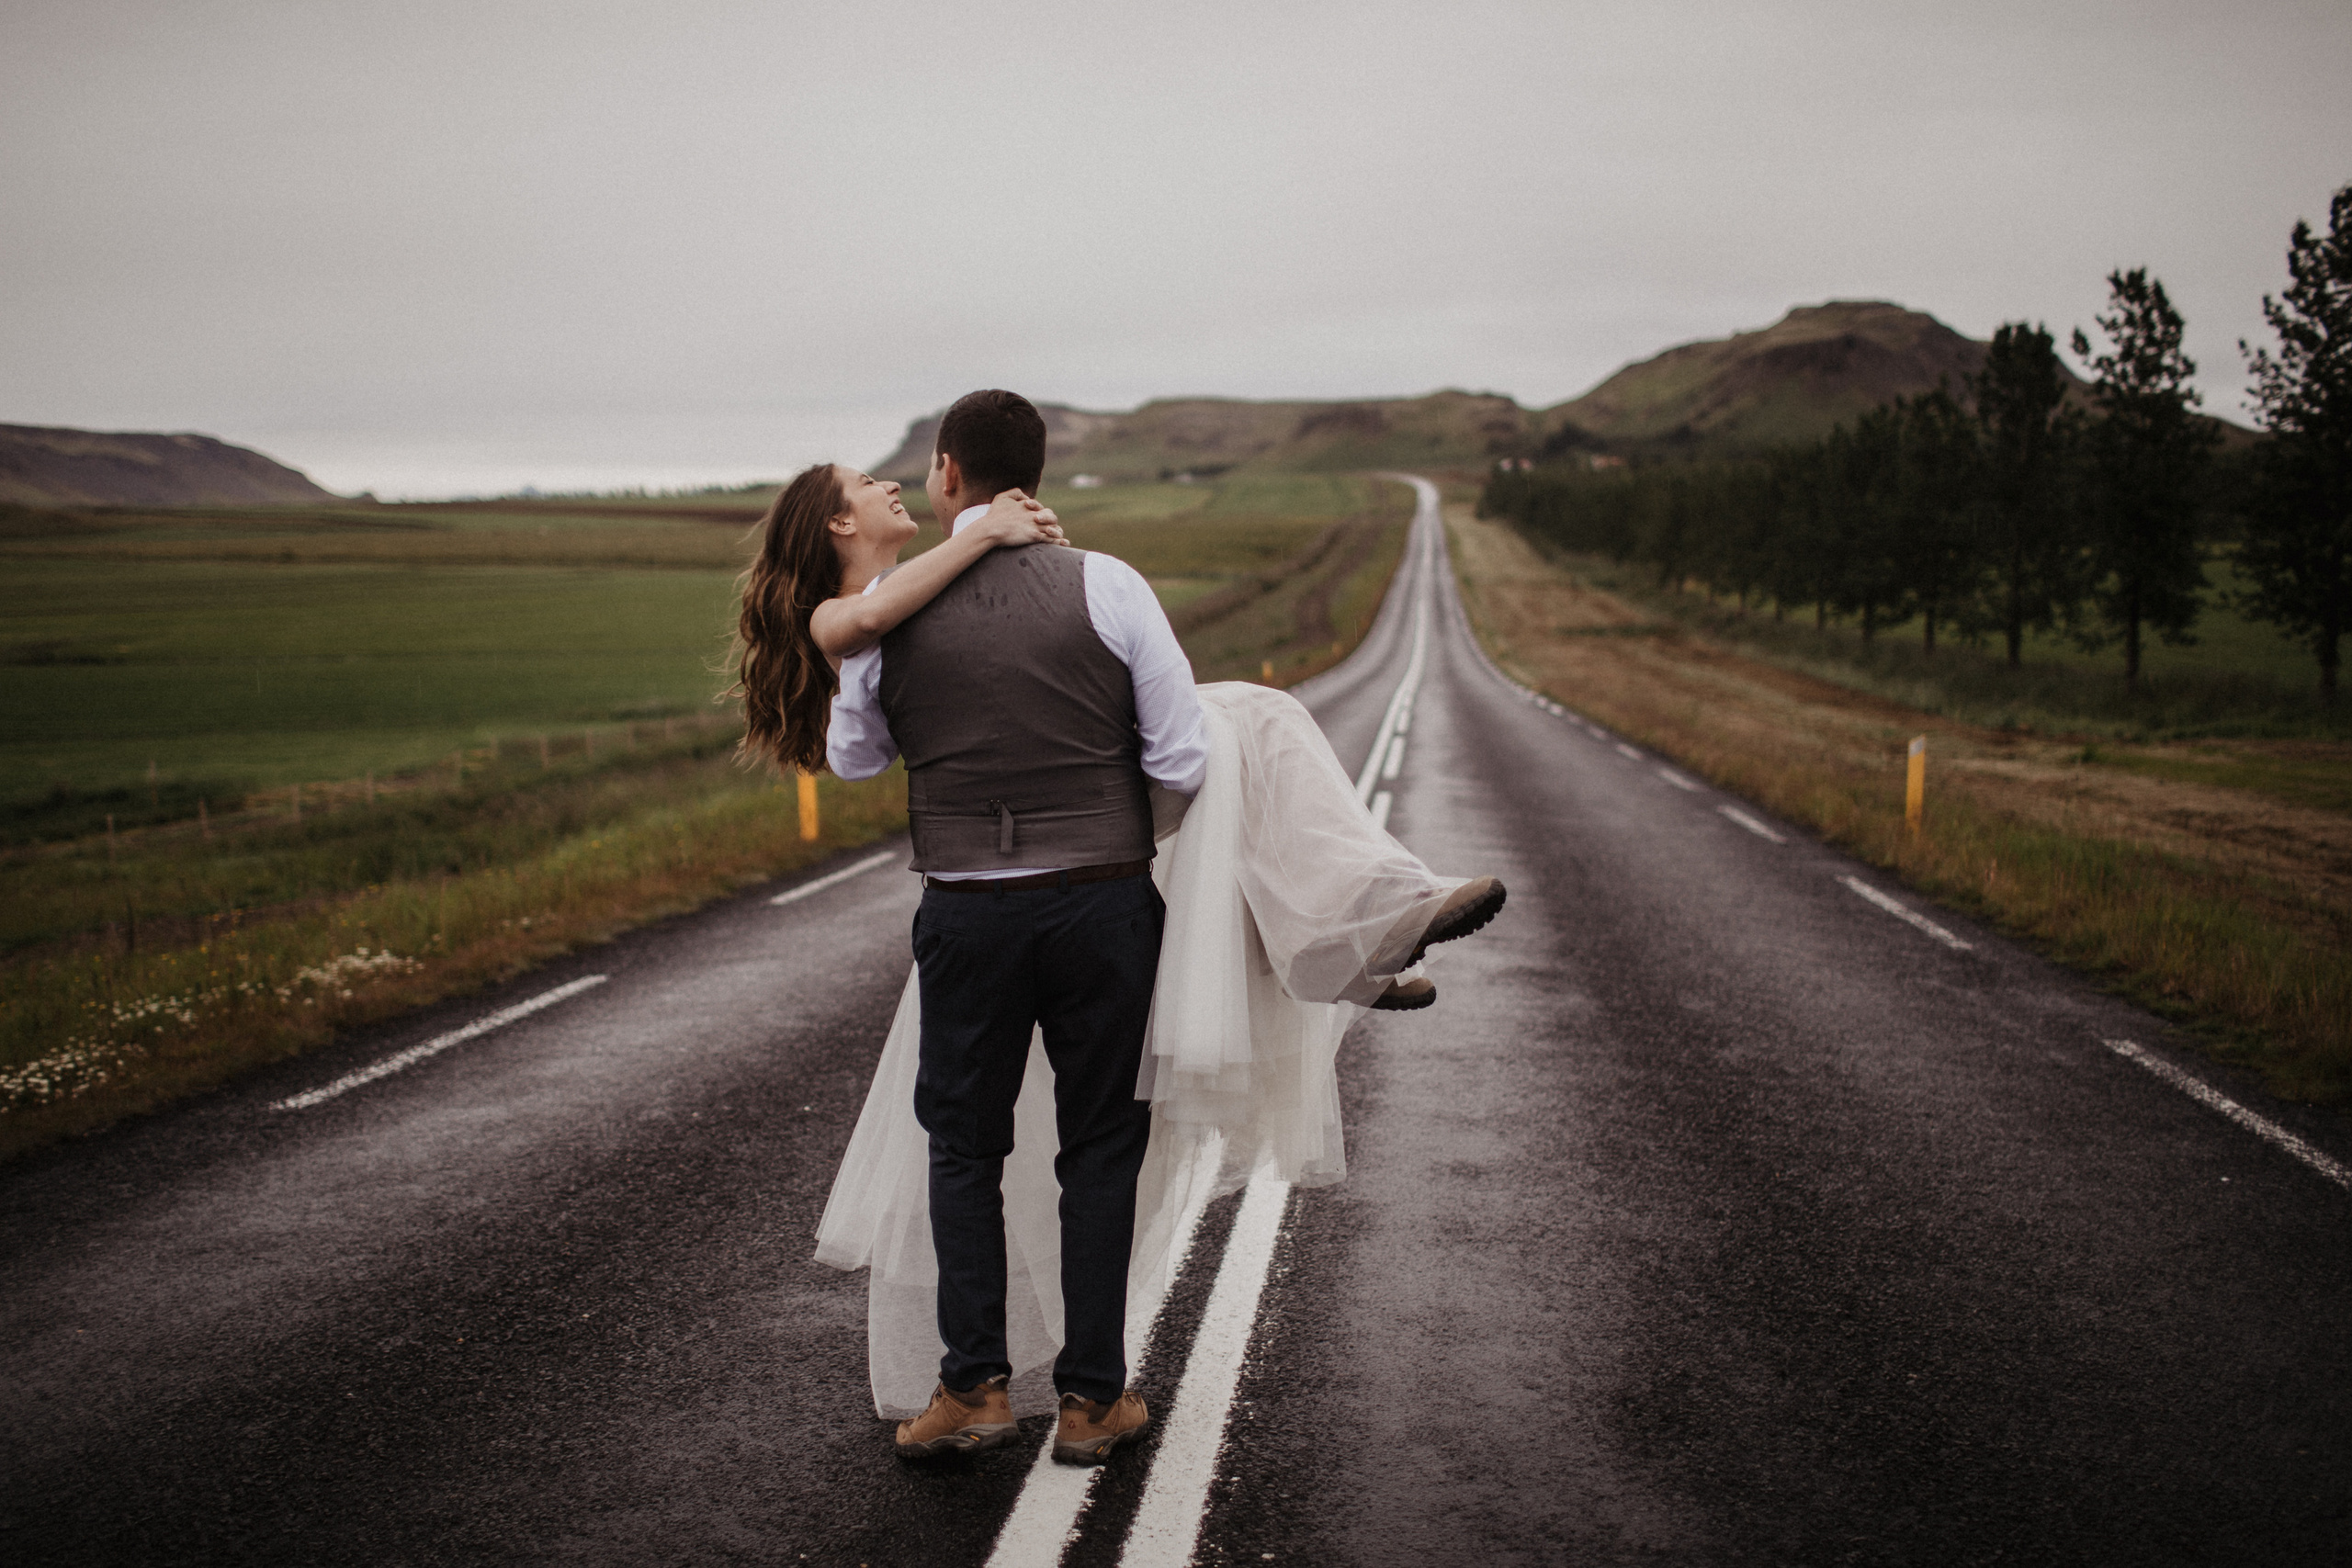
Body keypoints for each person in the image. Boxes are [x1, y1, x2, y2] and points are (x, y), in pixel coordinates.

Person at [730, 389, 1504, 1464]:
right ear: (1028, 477)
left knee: (964, 1148)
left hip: (965, 912)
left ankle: (976, 1390)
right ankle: (1094, 1399)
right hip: (1099, 904)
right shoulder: (1108, 583)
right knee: (1100, 1146)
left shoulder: (885, 618)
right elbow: (1180, 762)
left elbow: (859, 759)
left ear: (950, 473)